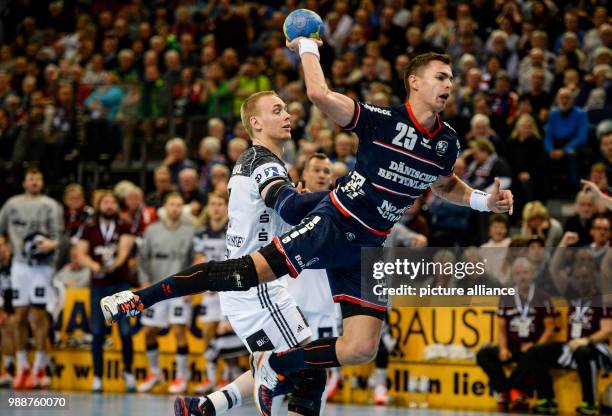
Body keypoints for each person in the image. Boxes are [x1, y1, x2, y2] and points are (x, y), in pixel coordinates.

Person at [102, 51, 513, 415]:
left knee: (360, 349)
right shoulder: (382, 121)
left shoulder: (447, 143)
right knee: (246, 274)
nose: (449, 84)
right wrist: (307, 45)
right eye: (441, 76)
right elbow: (318, 95)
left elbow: (442, 184)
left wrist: (481, 201)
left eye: (451, 78)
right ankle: (141, 298)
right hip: (336, 224)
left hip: (370, 245)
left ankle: (271, 367)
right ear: (415, 83)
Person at [175, 91, 325, 416]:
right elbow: (291, 206)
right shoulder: (263, 162)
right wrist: (345, 193)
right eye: (277, 110)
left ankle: (204, 408)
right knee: (309, 372)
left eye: (286, 108)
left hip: (250, 282)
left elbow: (275, 218)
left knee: (298, 371)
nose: (287, 115)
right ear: (255, 123)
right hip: (257, 285)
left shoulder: (256, 161)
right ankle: (247, 379)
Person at [0, 168, 63, 389]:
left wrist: (50, 245)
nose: (34, 182)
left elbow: (59, 237)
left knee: (38, 316)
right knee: (17, 317)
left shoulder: (51, 206)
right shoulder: (11, 204)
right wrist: (5, 248)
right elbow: (2, 233)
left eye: (38, 178)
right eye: (30, 179)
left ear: (42, 182)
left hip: (42, 267)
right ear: (24, 182)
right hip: (19, 266)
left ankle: (38, 368)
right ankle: (21, 366)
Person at [528, 260, 612, 415]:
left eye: (585, 277)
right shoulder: (571, 295)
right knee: (536, 351)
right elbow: (554, 268)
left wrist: (586, 340)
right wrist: (564, 241)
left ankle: (590, 403)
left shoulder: (602, 299)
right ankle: (547, 400)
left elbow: (607, 331)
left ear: (593, 278)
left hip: (596, 347)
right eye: (577, 278)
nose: (581, 281)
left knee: (583, 352)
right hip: (571, 346)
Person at [476, 257, 556, 411]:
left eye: (525, 272)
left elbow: (549, 328)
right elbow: (501, 327)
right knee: (483, 354)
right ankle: (507, 390)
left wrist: (536, 347)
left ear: (532, 274)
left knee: (532, 356)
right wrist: (503, 349)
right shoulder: (506, 297)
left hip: (533, 347)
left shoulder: (542, 297)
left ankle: (509, 392)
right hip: (513, 347)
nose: (522, 277)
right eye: (518, 273)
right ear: (513, 277)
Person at [76, 191, 136, 392]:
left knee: (125, 331)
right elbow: (80, 253)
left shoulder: (124, 226)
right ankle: (98, 376)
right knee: (97, 332)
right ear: (99, 205)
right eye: (105, 202)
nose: (109, 205)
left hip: (120, 284)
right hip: (98, 286)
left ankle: (128, 371)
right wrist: (93, 265)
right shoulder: (89, 228)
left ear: (117, 206)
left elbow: (125, 250)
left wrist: (114, 265)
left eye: (112, 202)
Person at [137, 193, 195, 394]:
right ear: (165, 207)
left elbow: (196, 259)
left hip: (180, 290)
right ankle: (155, 373)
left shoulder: (190, 231)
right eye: (172, 204)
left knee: (179, 330)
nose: (175, 208)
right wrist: (144, 281)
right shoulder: (152, 231)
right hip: (156, 289)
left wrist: (193, 286)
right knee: (149, 332)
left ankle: (182, 377)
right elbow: (142, 259)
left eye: (179, 204)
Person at [0, 234, 15, 387]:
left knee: (7, 323)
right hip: (5, 308)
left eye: (2, 245)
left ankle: (9, 369)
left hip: (19, 308)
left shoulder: (16, 265)